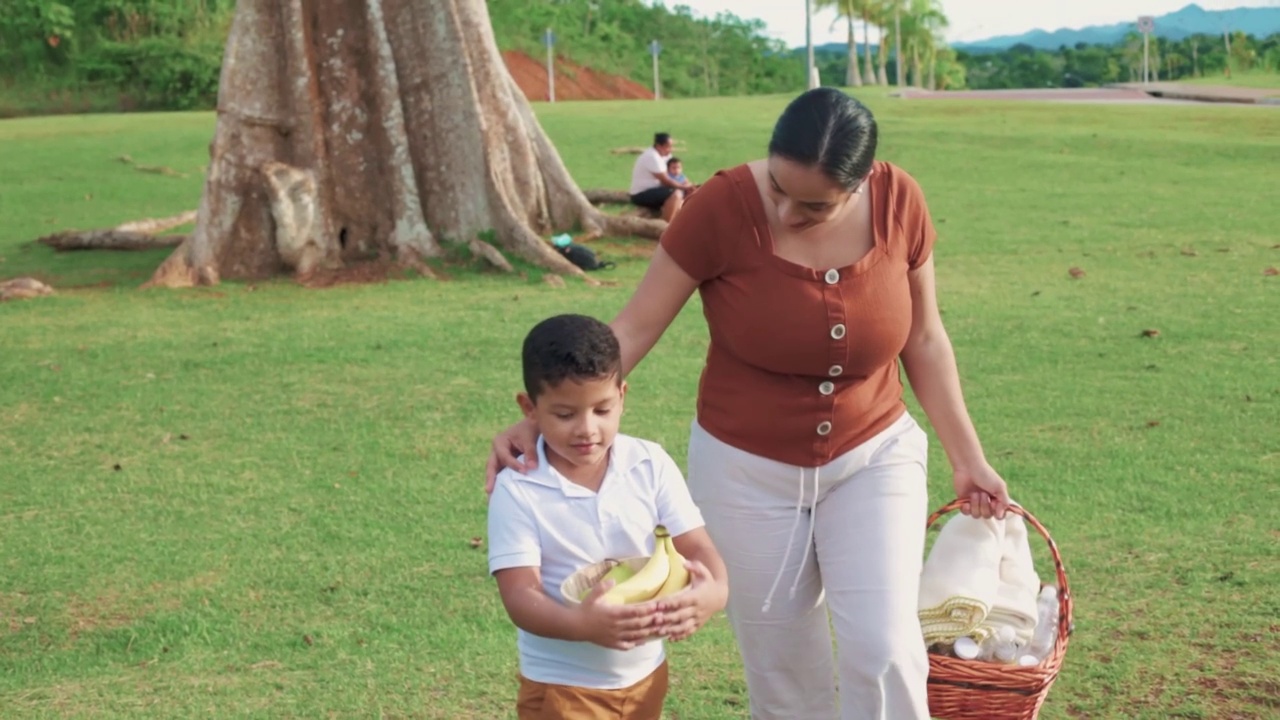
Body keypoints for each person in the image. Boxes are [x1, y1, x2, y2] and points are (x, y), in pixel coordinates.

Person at [487, 88, 1013, 720]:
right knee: (782, 665)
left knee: (885, 649)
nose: (788, 213)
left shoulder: (900, 202)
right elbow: (632, 329)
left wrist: (968, 458)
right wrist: (542, 417)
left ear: (864, 178)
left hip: (873, 454)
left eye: (813, 204)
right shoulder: (719, 206)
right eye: (779, 190)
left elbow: (925, 338)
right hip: (745, 470)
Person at [488, 313, 729, 720]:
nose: (587, 429)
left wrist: (713, 592)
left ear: (623, 395)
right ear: (529, 408)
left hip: (647, 675)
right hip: (563, 685)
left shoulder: (649, 463)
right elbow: (519, 595)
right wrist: (582, 625)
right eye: (565, 415)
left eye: (602, 409)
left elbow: (697, 546)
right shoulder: (520, 488)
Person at [628, 132, 695, 222]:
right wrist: (683, 187)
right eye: (668, 147)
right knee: (676, 193)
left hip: (657, 190)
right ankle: (666, 225)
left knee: (687, 193)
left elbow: (676, 174)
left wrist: (687, 183)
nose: (670, 150)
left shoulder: (665, 155)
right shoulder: (652, 157)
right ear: (659, 146)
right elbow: (665, 180)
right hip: (641, 194)